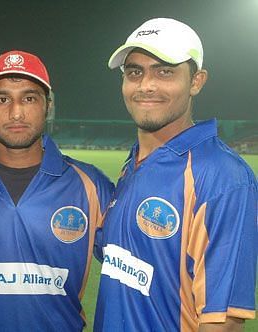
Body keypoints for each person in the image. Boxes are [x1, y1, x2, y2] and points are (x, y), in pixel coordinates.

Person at [94, 18, 257, 331]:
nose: (146, 85)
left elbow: (222, 324)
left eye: (164, 71)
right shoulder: (136, 163)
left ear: (196, 81)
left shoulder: (223, 179)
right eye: (134, 72)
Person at [0, 50, 114, 331]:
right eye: (2, 99)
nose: (16, 112)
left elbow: (128, 268)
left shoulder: (91, 185)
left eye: (29, 98)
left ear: (48, 105)